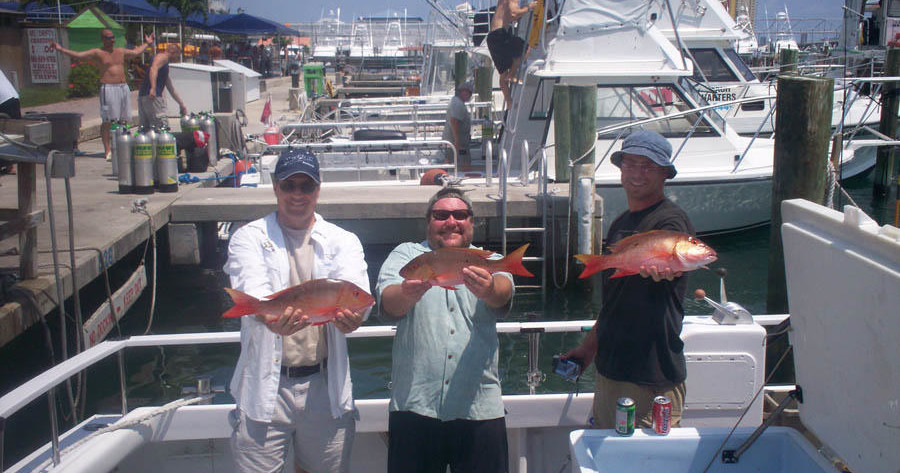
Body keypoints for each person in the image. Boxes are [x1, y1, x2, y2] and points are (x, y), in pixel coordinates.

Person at [224, 148, 370, 473]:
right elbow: (254, 290)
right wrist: (268, 316)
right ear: (276, 187)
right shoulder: (248, 237)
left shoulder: (343, 240)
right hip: (265, 386)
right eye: (290, 185)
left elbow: (358, 294)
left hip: (324, 384)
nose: (298, 194)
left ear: (318, 189)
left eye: (307, 186)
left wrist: (354, 319)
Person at [377, 187, 514, 473]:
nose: (451, 221)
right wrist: (407, 293)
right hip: (415, 406)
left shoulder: (487, 259)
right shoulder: (407, 255)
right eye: (441, 215)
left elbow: (504, 292)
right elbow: (388, 302)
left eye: (460, 215)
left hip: (479, 407)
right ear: (428, 222)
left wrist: (489, 289)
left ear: (471, 223)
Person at [562, 129, 692, 429]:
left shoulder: (671, 223)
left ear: (664, 174)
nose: (637, 173)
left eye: (648, 166)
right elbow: (613, 304)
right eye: (630, 164)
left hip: (652, 379)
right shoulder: (622, 224)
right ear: (621, 170)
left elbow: (676, 263)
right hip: (611, 371)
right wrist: (588, 349)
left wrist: (668, 268)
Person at [52, 30, 154, 161]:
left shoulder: (120, 51)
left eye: (112, 38)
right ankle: (107, 150)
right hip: (108, 88)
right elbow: (79, 55)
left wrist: (147, 43)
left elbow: (136, 52)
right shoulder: (97, 53)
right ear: (103, 39)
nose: (111, 40)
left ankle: (123, 146)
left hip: (122, 87)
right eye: (108, 38)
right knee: (107, 121)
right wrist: (61, 49)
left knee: (123, 119)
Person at [487, 0, 537, 109]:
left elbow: (511, 17)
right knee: (526, 48)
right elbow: (514, 13)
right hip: (499, 34)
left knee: (503, 74)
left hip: (492, 37)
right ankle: (512, 75)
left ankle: (509, 102)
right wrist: (529, 7)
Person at [138, 43, 187, 128]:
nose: (177, 58)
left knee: (146, 128)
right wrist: (153, 88)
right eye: (177, 56)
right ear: (173, 52)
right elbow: (153, 68)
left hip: (144, 96)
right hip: (154, 97)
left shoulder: (164, 66)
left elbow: (170, 87)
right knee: (162, 126)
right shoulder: (162, 57)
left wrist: (181, 104)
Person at [441, 81, 473, 170]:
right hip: (458, 143)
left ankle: (442, 175)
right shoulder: (458, 104)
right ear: (463, 92)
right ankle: (467, 178)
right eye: (469, 92)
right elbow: (454, 121)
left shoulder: (455, 101)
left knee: (449, 159)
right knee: (465, 160)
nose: (470, 95)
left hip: (454, 141)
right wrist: (457, 140)